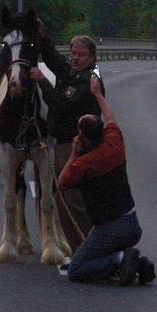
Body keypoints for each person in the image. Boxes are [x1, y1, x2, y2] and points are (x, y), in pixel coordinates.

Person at [58, 76, 155, 285]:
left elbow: (62, 182)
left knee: (76, 269)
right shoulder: (114, 143)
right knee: (92, 253)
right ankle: (134, 264)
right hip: (132, 224)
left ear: (82, 137)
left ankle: (121, 260)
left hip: (111, 229)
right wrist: (98, 95)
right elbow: (110, 118)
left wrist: (74, 153)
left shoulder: (84, 165)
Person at [30, 29, 104, 252]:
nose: (75, 57)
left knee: (69, 200)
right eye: (73, 53)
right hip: (64, 145)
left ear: (92, 58)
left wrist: (42, 81)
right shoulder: (74, 72)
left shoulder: (88, 80)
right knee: (67, 198)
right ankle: (84, 248)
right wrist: (42, 37)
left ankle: (85, 248)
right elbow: (56, 61)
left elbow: (59, 103)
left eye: (81, 54)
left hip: (76, 147)